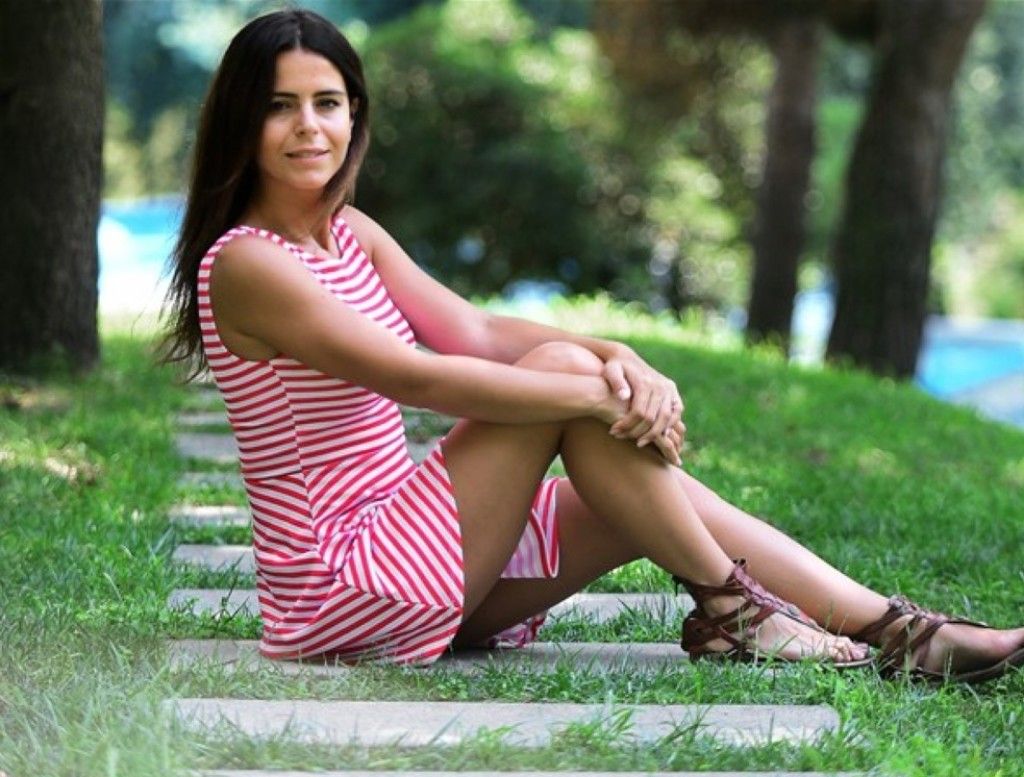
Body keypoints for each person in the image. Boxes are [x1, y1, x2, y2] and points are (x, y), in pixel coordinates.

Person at [162, 8, 1024, 683]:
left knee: (640, 494)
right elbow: (418, 376)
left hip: (416, 559)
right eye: (279, 107)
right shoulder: (247, 263)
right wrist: (592, 391)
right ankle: (738, 614)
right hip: (341, 585)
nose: (308, 127)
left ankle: (897, 633)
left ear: (355, 114)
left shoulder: (347, 233)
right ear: (241, 121)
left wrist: (619, 356)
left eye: (327, 103)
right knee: (568, 383)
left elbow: (478, 332)